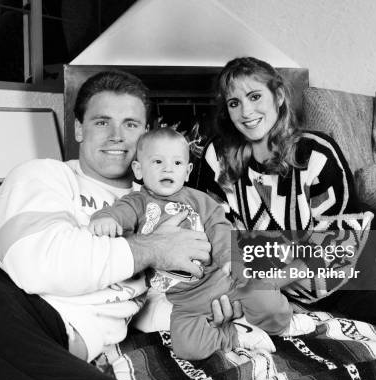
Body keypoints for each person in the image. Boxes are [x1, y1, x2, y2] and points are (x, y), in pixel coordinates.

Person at [0, 71, 233, 380]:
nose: (117, 136)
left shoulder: (164, 206)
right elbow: (38, 266)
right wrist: (153, 248)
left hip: (37, 339)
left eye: (131, 124)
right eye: (102, 121)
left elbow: (159, 298)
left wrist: (215, 308)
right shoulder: (44, 175)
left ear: (146, 134)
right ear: (78, 128)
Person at [194, 56, 376, 341]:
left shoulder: (316, 151)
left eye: (255, 96)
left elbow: (334, 242)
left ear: (278, 96)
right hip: (343, 286)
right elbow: (217, 235)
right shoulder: (217, 158)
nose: (246, 111)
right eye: (234, 103)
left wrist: (266, 283)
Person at [88, 128, 315, 360]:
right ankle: (233, 335)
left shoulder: (199, 200)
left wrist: (228, 257)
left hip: (224, 280)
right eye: (157, 161)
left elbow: (220, 229)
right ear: (138, 169)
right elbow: (116, 213)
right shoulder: (136, 203)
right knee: (186, 347)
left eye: (177, 163)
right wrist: (105, 220)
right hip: (185, 300)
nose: (168, 168)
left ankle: (283, 324)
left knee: (265, 300)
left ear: (187, 172)